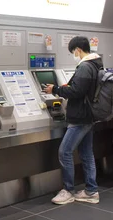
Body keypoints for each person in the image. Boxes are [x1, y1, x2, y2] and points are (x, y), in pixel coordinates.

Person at [43, 36, 100, 205]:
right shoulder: (96, 64)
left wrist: (56, 89)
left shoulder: (85, 66)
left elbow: (76, 92)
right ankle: (91, 191)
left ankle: (68, 190)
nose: (73, 55)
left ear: (78, 50)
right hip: (89, 115)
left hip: (80, 117)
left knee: (64, 151)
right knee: (86, 153)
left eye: (72, 52)